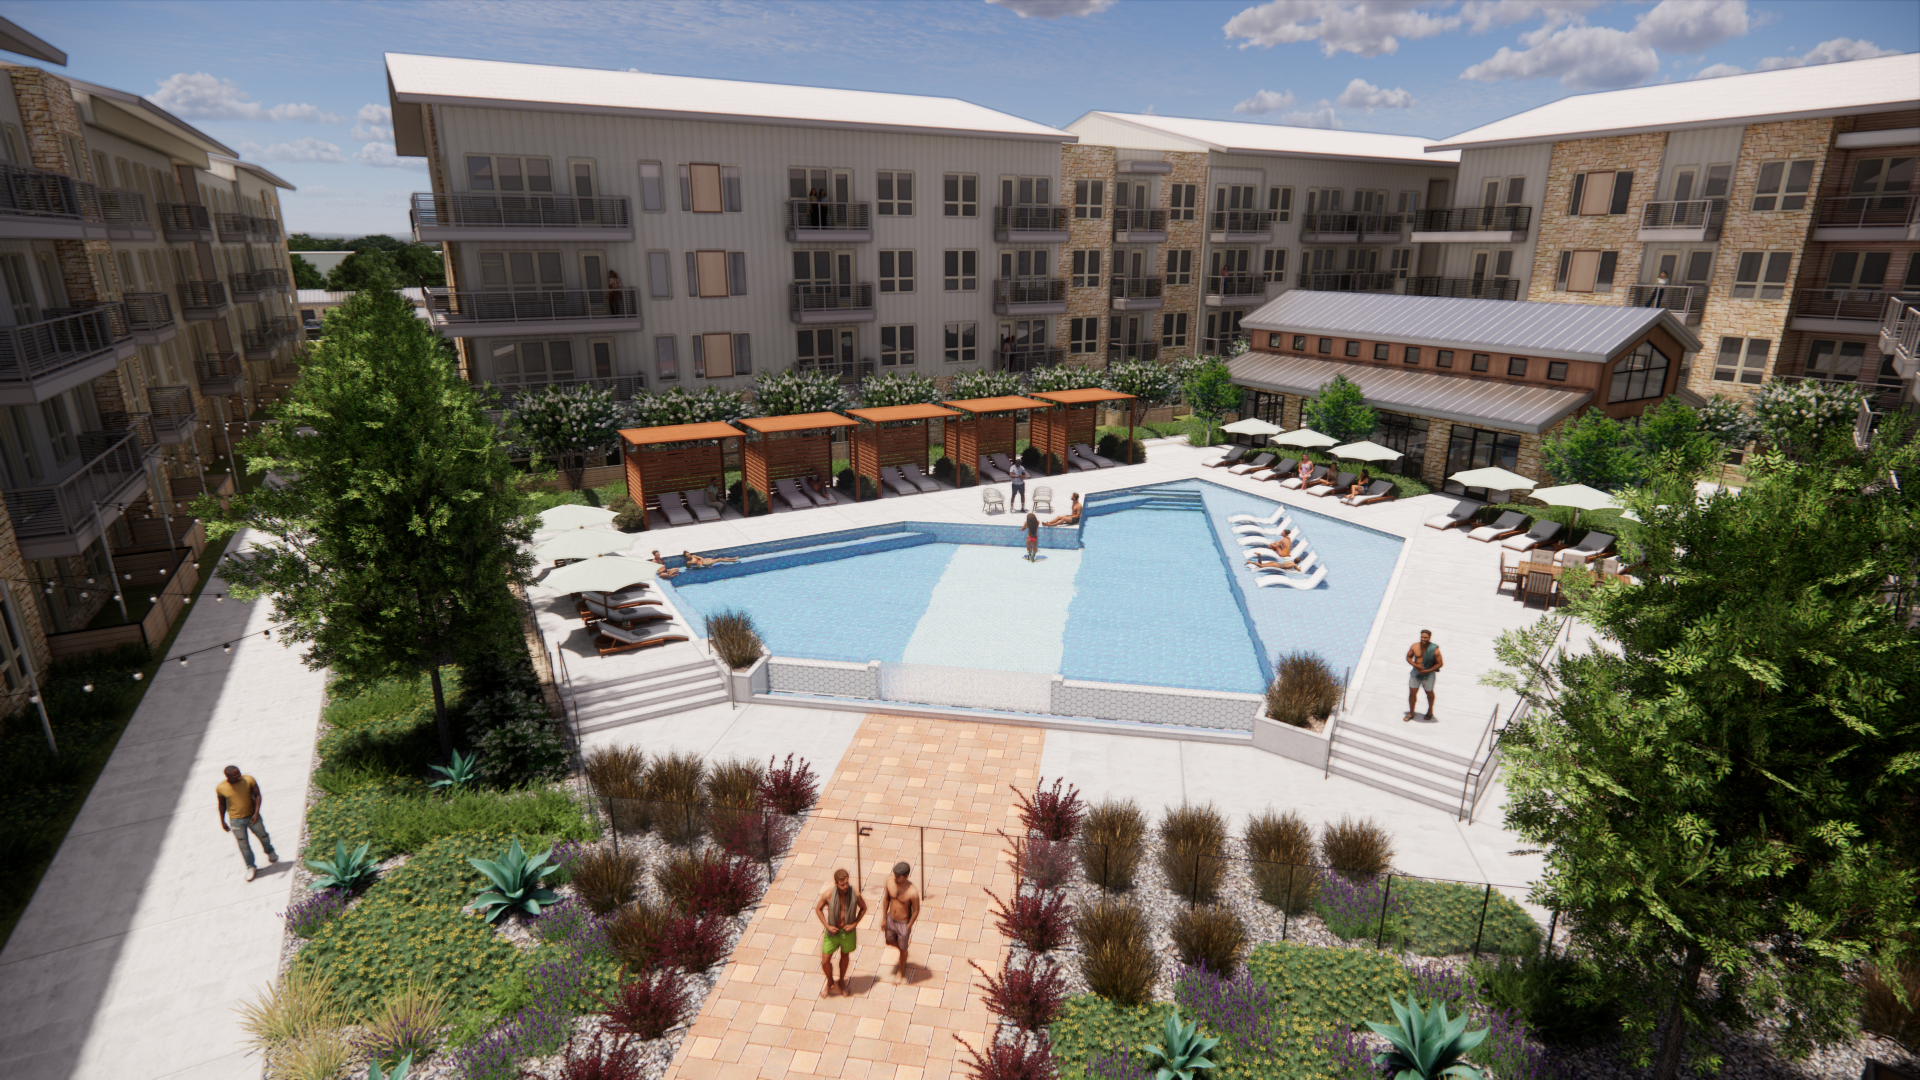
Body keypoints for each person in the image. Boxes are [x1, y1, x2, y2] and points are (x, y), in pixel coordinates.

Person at [215, 765, 276, 881]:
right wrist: (222, 821)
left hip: (253, 816)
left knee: (263, 836)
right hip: (236, 821)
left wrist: (256, 812)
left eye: (239, 772)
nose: (239, 775)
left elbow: (257, 795)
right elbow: (222, 805)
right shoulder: (221, 788)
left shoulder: (249, 780)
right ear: (227, 776)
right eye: (235, 774)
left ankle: (270, 852)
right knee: (243, 845)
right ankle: (251, 867)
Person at [815, 868, 867, 996]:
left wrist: (854, 924)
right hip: (832, 932)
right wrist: (827, 926)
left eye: (846, 883)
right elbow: (818, 909)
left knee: (844, 958)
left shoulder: (855, 894)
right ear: (836, 883)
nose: (845, 887)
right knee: (825, 962)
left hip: (848, 932)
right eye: (842, 884)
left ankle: (842, 981)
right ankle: (830, 981)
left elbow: (863, 908)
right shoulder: (828, 895)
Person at [883, 861, 921, 979]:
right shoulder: (889, 882)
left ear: (906, 876)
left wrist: (908, 926)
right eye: (895, 875)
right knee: (888, 941)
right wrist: (884, 918)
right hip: (890, 919)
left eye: (898, 877)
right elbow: (886, 900)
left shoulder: (912, 892)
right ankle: (903, 950)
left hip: (903, 923)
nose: (895, 878)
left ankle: (901, 969)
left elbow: (916, 910)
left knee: (903, 949)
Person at [1405, 629, 1443, 722]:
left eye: (1425, 637)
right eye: (1422, 637)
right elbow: (1408, 657)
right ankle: (1411, 713)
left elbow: (1439, 663)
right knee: (1412, 693)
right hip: (1415, 673)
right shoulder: (1415, 646)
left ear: (1429, 638)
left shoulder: (1434, 649)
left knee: (1429, 693)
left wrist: (1427, 671)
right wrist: (1416, 665)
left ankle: (1430, 711)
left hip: (1429, 674)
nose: (1423, 639)